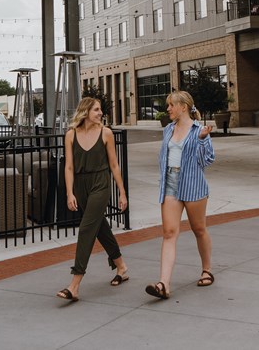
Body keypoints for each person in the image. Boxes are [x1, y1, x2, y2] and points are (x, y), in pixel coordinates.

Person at [56, 97, 129, 302]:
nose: (100, 113)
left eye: (100, 110)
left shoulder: (106, 133)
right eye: (96, 110)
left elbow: (114, 165)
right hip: (80, 186)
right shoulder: (71, 134)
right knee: (100, 227)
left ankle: (75, 284)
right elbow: (68, 167)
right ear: (85, 111)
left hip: (100, 183)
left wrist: (122, 192)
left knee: (87, 228)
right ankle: (121, 267)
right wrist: (70, 193)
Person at [145, 90, 215, 300]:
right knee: (169, 233)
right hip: (170, 185)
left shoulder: (198, 130)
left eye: (171, 105)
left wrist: (203, 139)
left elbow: (207, 161)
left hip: (193, 184)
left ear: (183, 107)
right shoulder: (167, 129)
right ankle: (163, 284)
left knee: (199, 229)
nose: (168, 109)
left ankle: (207, 269)